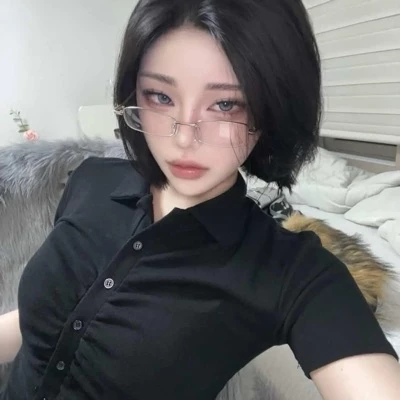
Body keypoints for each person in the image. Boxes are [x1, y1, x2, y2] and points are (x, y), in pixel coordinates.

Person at [1, 0, 399, 399]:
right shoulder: (90, 179)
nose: (184, 138)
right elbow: (41, 320)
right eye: (160, 96)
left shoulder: (292, 272)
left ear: (273, 110)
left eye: (226, 104)